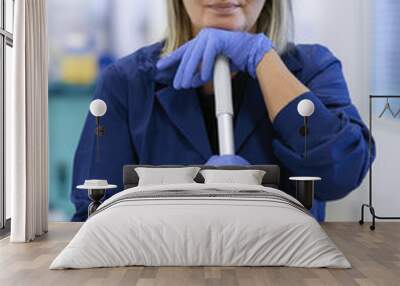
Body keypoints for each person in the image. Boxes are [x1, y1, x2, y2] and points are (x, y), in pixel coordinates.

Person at [71, 0, 375, 222]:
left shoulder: (310, 69)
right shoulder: (125, 83)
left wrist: (263, 58)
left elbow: (341, 174)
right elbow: (93, 213)